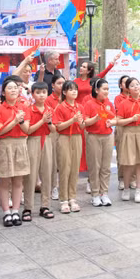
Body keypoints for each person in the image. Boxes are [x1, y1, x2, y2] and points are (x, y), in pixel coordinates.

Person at [0, 77, 31, 227]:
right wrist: (14, 121)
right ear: (3, 92)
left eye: (15, 87)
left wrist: (20, 121)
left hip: (21, 144)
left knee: (18, 180)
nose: (14, 90)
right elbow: (0, 131)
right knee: (5, 180)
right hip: (5, 144)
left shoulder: (24, 107)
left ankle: (15, 210)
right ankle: (6, 212)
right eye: (10, 88)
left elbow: (26, 130)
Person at [115, 77, 140, 203]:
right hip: (129, 134)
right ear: (127, 89)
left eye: (137, 84)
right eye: (132, 85)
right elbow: (118, 121)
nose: (136, 87)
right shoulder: (123, 103)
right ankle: (126, 188)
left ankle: (138, 190)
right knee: (128, 163)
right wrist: (131, 119)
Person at [23, 81, 56, 221]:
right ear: (33, 94)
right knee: (31, 176)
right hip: (33, 141)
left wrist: (48, 122)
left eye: (44, 92)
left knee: (47, 174)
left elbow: (54, 130)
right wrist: (42, 120)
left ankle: (45, 205)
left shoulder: (50, 109)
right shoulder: (29, 109)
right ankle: (28, 208)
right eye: (38, 92)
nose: (41, 95)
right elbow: (28, 130)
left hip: (47, 140)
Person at [52, 81, 85, 213]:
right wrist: (72, 120)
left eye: (75, 90)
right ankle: (63, 199)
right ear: (64, 92)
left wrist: (82, 121)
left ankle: (72, 197)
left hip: (77, 137)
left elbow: (82, 126)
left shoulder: (80, 107)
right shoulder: (60, 107)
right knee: (64, 168)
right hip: (64, 138)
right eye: (71, 90)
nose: (74, 92)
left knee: (74, 169)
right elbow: (58, 127)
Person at [83, 78, 116, 207]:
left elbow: (114, 118)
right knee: (94, 166)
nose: (107, 92)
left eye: (108, 89)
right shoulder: (89, 104)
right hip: (94, 137)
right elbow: (85, 122)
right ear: (96, 90)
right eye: (104, 89)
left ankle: (104, 193)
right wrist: (95, 118)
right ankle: (95, 194)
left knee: (106, 167)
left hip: (107, 136)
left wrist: (111, 122)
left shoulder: (109, 103)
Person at [45, 73, 65, 201]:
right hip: (53, 132)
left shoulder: (68, 98)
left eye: (64, 83)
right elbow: (50, 116)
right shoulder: (48, 99)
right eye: (59, 83)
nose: (62, 86)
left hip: (65, 132)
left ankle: (63, 187)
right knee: (52, 162)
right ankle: (54, 187)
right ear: (53, 85)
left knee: (63, 160)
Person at [114, 75, 130, 189]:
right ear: (120, 85)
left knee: (133, 154)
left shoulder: (137, 97)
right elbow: (122, 112)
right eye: (124, 82)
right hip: (121, 127)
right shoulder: (118, 98)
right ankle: (122, 178)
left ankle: (132, 178)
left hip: (132, 128)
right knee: (121, 153)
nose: (127, 84)